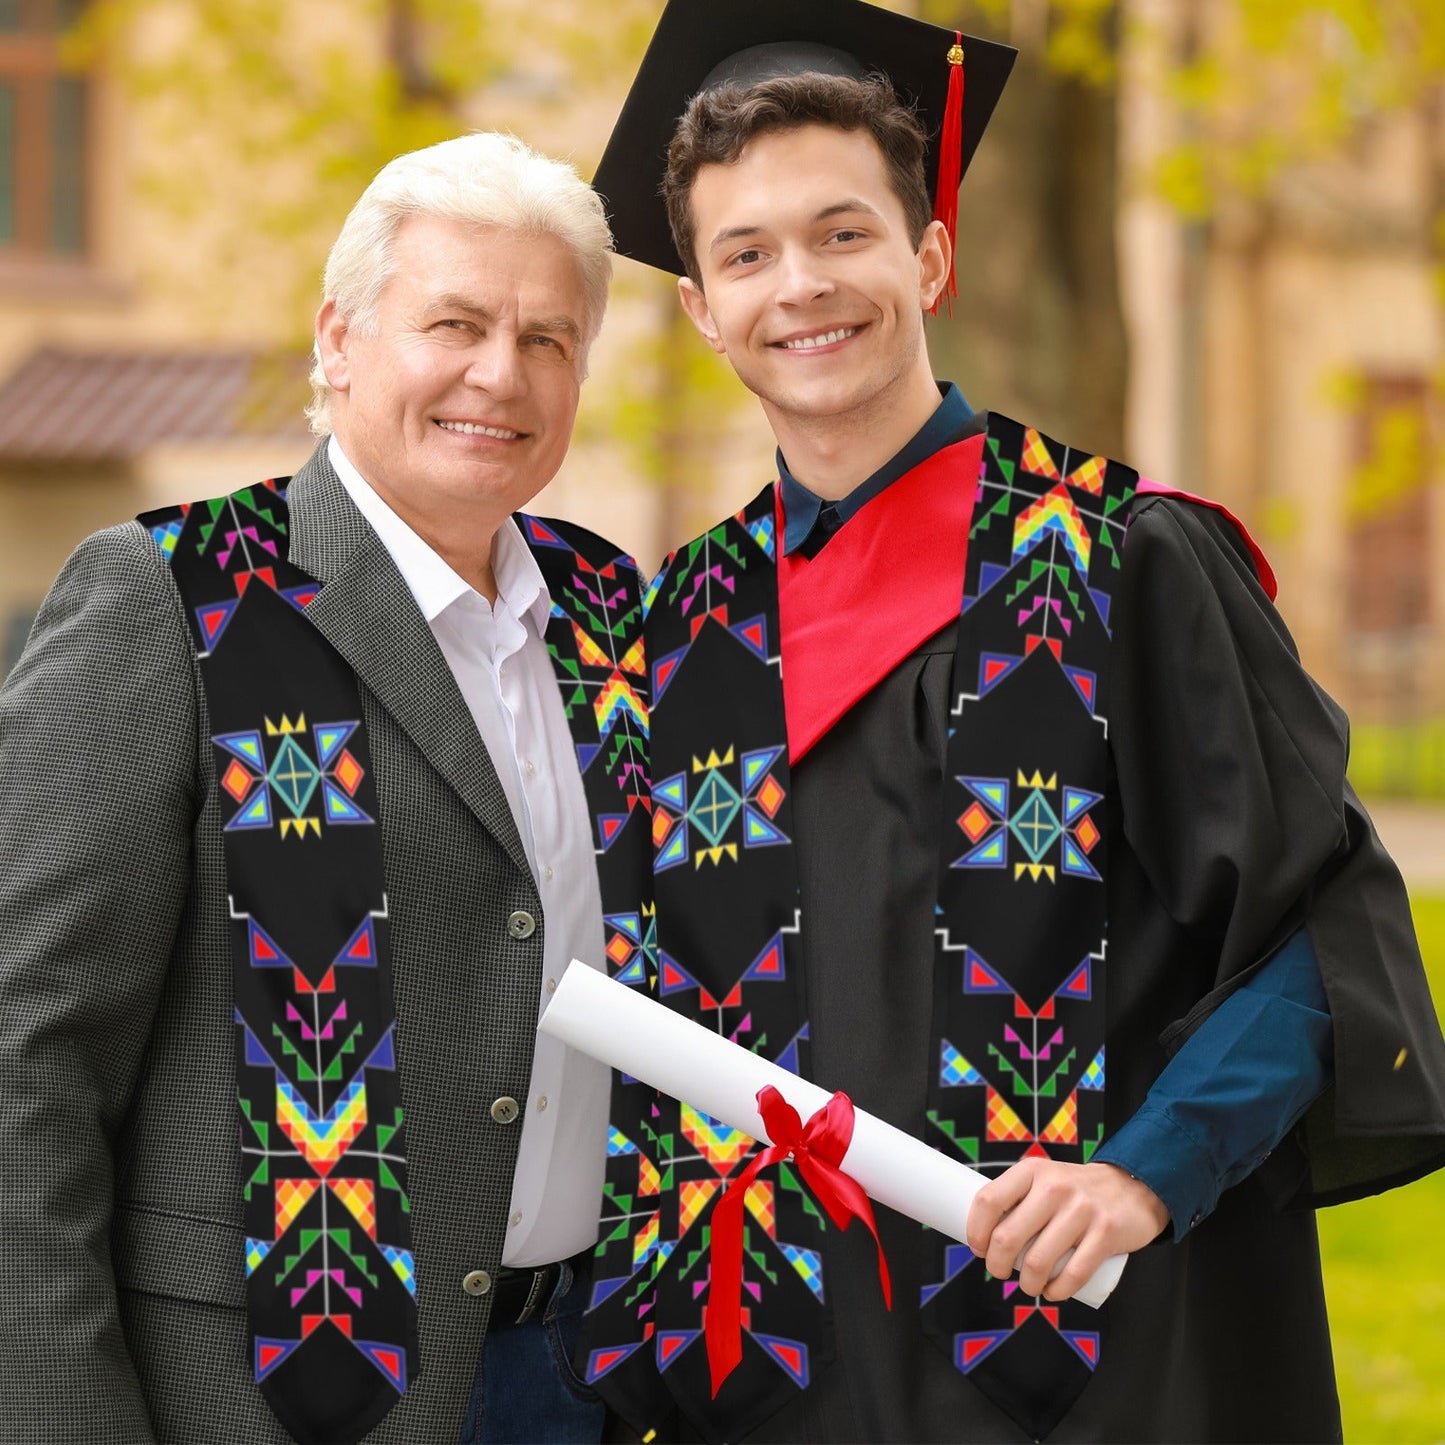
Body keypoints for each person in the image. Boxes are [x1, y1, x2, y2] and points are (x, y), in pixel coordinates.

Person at [574, 2, 1445, 1441]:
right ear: (699, 307)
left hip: (1103, 1353)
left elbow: (1318, 931)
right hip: (792, 1377)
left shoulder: (1122, 558)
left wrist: (1144, 1172)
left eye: (843, 233)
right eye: (745, 254)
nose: (800, 285)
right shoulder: (680, 633)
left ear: (928, 254)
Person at [0, 132, 649, 1445]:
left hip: (577, 1384)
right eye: (454, 321)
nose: (498, 373)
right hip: (268, 1398)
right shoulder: (174, 595)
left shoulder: (607, 616)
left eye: (546, 338)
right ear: (339, 339)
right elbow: (27, 1056)